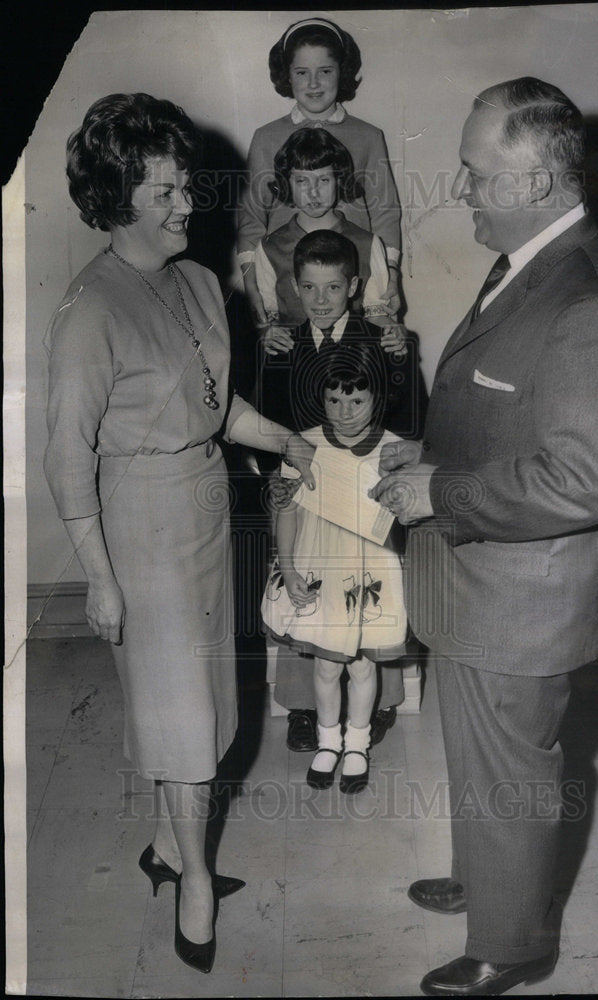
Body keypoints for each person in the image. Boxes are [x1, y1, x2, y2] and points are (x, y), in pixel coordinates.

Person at [372, 77, 598, 996]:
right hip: (477, 573)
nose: (460, 188)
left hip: (520, 596)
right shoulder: (528, 266)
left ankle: (515, 942)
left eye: (474, 172)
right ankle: (493, 882)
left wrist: (438, 489)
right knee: (478, 760)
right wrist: (430, 452)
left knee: (513, 771)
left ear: (532, 185)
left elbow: (580, 478)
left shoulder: (592, 301)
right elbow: (507, 410)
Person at [43, 92, 316, 976]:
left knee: (204, 708)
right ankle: (194, 880)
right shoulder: (90, 311)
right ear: (117, 200)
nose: (185, 205)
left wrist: (285, 441)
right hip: (139, 530)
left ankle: (168, 847)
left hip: (204, 505)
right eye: (161, 193)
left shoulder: (199, 281)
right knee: (183, 720)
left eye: (184, 186)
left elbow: (214, 404)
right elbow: (64, 456)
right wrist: (98, 573)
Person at [257, 229, 426, 752]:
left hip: (363, 485)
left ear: (353, 286)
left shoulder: (381, 339)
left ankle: (379, 703)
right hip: (308, 487)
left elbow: (410, 415)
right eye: (309, 289)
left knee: (371, 586)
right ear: (295, 288)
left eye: (333, 289)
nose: (322, 301)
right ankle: (306, 707)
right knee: (305, 585)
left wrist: (401, 356)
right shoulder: (282, 344)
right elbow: (267, 421)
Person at [262, 342, 408, 792]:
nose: (345, 412)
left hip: (370, 575)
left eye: (357, 400)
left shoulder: (393, 449)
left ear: (376, 398)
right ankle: (328, 741)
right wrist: (287, 570)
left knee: (363, 666)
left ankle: (357, 743)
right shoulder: (304, 446)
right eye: (334, 400)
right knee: (325, 667)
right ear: (320, 398)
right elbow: (286, 511)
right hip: (319, 567)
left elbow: (405, 519)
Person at [237, 16, 402, 334]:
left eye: (325, 71)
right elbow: (251, 215)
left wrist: (390, 273)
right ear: (287, 75)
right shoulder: (266, 137)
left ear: (342, 72)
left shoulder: (368, 136)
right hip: (288, 273)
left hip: (354, 272)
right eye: (302, 73)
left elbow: (385, 211)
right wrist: (252, 280)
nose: (313, 84)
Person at [255, 126, 398, 346]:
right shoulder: (270, 248)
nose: (313, 192)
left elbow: (377, 317)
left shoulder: (367, 243)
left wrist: (393, 335)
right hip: (295, 366)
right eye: (302, 181)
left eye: (323, 180)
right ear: (287, 184)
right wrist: (267, 333)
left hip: (352, 364)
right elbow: (269, 319)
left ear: (339, 181)